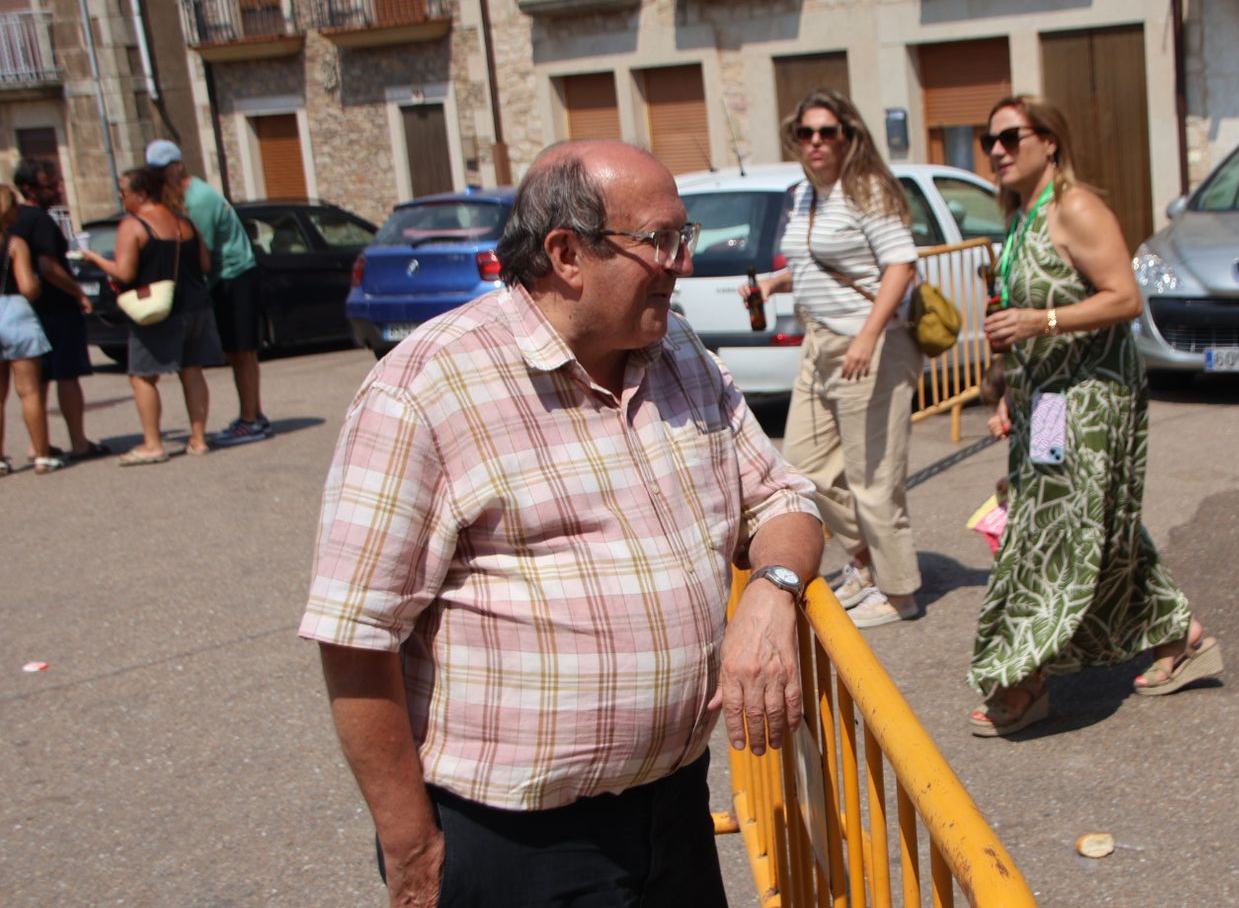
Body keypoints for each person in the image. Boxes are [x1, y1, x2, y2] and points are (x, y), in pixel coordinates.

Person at [300, 140, 822, 907]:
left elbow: (783, 499)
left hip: (674, 810)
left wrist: (772, 590)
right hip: (518, 844)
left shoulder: (679, 355)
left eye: (684, 237)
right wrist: (410, 846)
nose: (682, 263)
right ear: (566, 254)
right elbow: (355, 634)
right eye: (661, 241)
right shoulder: (425, 389)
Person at [970, 94, 1222, 736]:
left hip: (1089, 396)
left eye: (1010, 137)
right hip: (1046, 398)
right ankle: (1179, 634)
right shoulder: (1021, 217)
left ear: (1050, 140)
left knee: (1054, 527)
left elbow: (1125, 298)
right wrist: (1012, 389)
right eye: (988, 140)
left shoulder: (1076, 207)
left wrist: (1040, 321)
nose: (997, 150)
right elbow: (1022, 318)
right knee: (1086, 518)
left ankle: (1025, 675)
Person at [743, 88, 924, 629]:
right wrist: (773, 284)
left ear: (849, 136)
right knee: (802, 468)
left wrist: (869, 335)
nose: (816, 142)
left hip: (870, 345)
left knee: (873, 477)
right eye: (807, 133)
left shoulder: (867, 190)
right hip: (820, 344)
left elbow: (901, 266)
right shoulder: (805, 194)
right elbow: (813, 263)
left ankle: (900, 592)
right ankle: (866, 562)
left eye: (827, 132)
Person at [79, 168, 224, 465]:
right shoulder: (185, 222)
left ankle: (153, 444)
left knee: (142, 376)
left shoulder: (133, 225)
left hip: (157, 310)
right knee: (192, 370)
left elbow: (125, 272)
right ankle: (199, 439)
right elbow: (205, 264)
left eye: (124, 191)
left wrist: (94, 258)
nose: (121, 197)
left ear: (141, 194)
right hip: (196, 305)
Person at [144, 140, 269, 447]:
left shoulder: (196, 199)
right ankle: (253, 415)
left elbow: (201, 253)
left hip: (233, 276)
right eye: (154, 172)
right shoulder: (185, 195)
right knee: (239, 352)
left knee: (242, 351)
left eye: (163, 170)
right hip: (228, 276)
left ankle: (250, 420)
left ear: (178, 166)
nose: (159, 177)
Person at [7, 159, 104, 461]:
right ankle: (78, 441)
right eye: (50, 185)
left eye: (59, 183)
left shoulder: (12, 222)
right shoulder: (39, 221)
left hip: (26, 313)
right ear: (29, 188)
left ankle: (38, 444)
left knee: (35, 383)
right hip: (55, 309)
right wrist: (78, 292)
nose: (58, 190)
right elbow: (48, 266)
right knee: (67, 375)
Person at [0, 183, 55, 475]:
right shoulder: (15, 243)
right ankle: (42, 455)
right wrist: (36, 286)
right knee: (30, 391)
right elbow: (27, 287)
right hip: (14, 312)